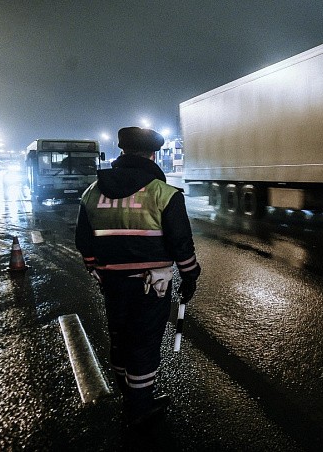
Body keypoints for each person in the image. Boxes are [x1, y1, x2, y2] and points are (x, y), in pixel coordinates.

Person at [75, 126, 201, 428]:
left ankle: (128, 395)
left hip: (112, 283)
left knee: (120, 336)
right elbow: (180, 242)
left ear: (121, 151)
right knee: (144, 340)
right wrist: (190, 275)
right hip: (152, 284)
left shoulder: (92, 193)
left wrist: (96, 269)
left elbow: (84, 241)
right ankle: (139, 406)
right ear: (153, 154)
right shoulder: (164, 194)